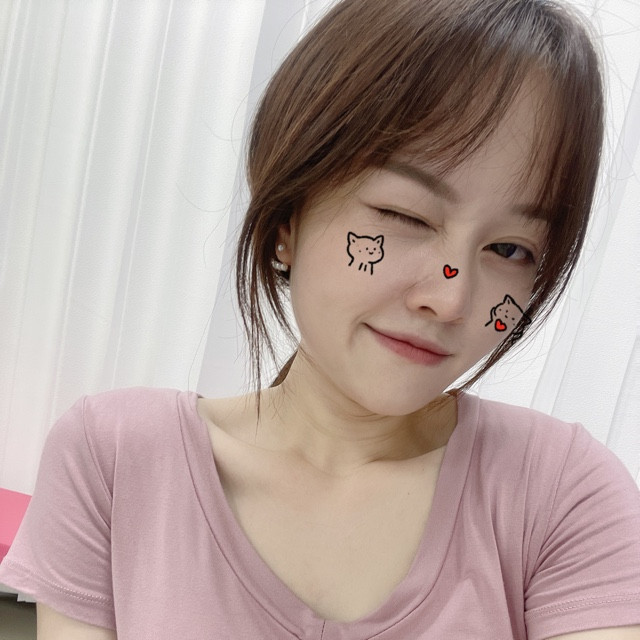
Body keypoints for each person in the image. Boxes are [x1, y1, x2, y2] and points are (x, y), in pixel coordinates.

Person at [1, 0, 639, 638]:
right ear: (287, 218)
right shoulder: (115, 459)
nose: (451, 300)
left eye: (509, 250)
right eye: (407, 215)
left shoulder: (562, 495)